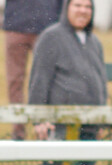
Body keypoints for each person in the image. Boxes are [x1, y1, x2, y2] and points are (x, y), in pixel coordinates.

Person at [29, 0, 107, 165]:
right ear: (66, 8)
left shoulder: (94, 42)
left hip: (88, 130)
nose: (83, 10)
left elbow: (101, 81)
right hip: (60, 129)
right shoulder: (52, 37)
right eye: (77, 5)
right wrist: (40, 118)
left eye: (87, 6)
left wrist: (101, 118)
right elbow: (39, 78)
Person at [3, 0, 63, 140]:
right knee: (15, 80)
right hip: (16, 26)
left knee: (46, 80)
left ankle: (45, 127)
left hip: (46, 27)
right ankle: (18, 130)